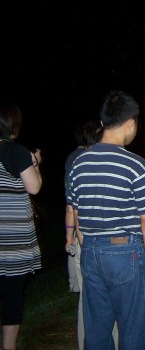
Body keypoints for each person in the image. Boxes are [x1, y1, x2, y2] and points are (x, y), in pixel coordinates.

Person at [66, 90, 145, 350]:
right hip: (124, 253)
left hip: (90, 251)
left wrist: (87, 242)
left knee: (97, 328)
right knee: (134, 327)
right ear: (130, 123)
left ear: (102, 123)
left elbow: (76, 211)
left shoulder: (79, 163)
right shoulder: (135, 165)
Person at [64, 119, 119, 350]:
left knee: (90, 299)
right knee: (101, 298)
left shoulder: (73, 158)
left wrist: (70, 237)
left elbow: (71, 206)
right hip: (92, 237)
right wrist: (73, 237)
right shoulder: (84, 160)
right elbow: (72, 207)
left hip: (85, 237)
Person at [0, 102, 43, 350]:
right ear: (14, 127)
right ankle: (8, 346)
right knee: (13, 294)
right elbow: (34, 187)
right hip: (12, 240)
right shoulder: (16, 152)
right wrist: (35, 163)